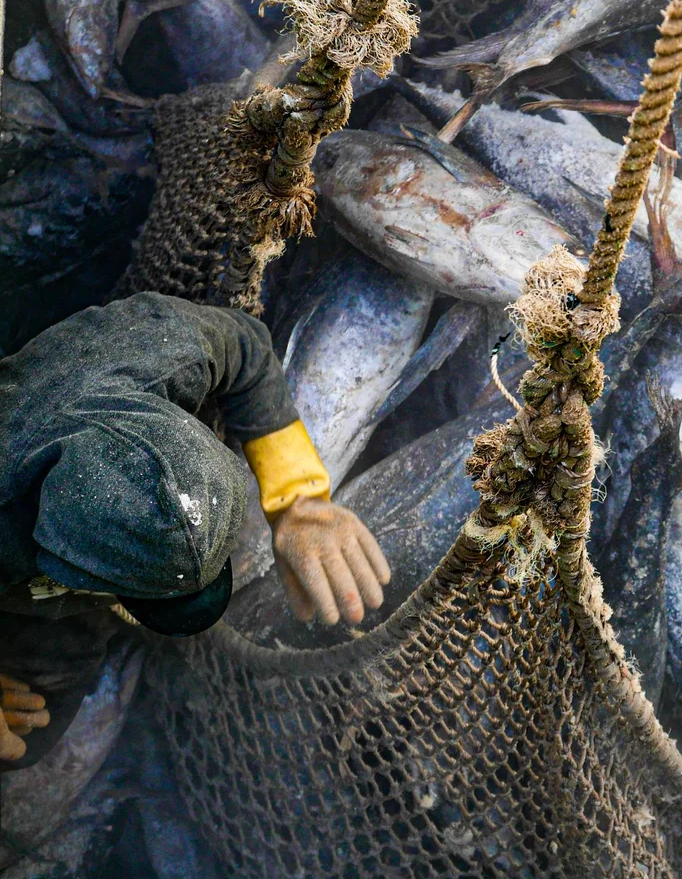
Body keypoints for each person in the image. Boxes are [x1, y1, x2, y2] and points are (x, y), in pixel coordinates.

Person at [0, 292, 391, 768]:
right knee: (15, 746)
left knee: (34, 732)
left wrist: (300, 500)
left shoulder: (153, 348)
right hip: (17, 564)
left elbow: (247, 347)